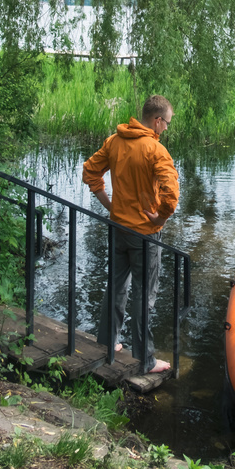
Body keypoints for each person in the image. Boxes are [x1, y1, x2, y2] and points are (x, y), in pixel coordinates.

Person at [82, 94, 179, 374]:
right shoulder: (155, 150)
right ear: (157, 120)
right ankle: (145, 361)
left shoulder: (115, 141)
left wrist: (110, 206)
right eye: (167, 123)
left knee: (116, 286)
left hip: (117, 228)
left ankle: (110, 341)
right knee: (144, 295)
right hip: (144, 234)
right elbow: (172, 194)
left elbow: (90, 171)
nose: (167, 129)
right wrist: (160, 216)